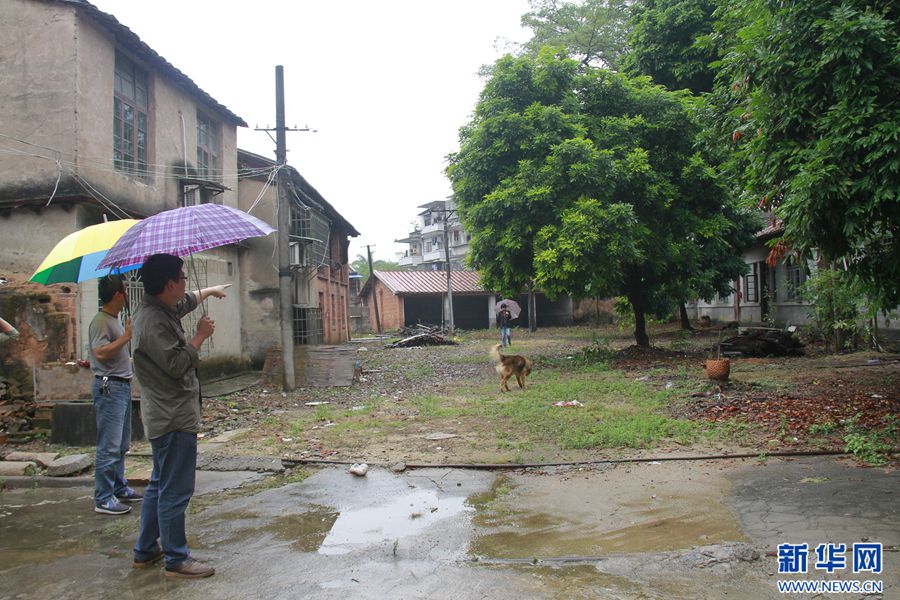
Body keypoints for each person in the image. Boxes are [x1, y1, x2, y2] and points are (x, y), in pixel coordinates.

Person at [131, 253, 229, 578]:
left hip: (166, 415)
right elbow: (175, 365)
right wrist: (199, 337)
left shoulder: (159, 306)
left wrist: (210, 289)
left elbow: (186, 301)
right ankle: (176, 559)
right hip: (172, 418)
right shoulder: (153, 321)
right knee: (175, 490)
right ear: (169, 283)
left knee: (159, 485)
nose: (186, 284)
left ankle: (146, 550)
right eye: (183, 278)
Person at [89, 275, 141, 515]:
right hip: (110, 388)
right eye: (125, 292)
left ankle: (119, 487)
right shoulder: (101, 321)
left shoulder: (115, 320)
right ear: (118, 295)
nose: (127, 296)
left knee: (121, 445)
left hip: (122, 386)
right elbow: (100, 354)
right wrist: (126, 338)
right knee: (109, 446)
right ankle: (103, 498)